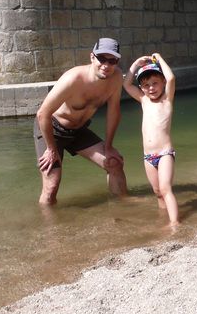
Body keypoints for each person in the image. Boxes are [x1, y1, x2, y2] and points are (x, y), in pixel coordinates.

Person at [34, 37, 128, 204]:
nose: (106, 65)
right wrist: (51, 149)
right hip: (52, 129)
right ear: (92, 57)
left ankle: (123, 209)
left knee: (114, 163)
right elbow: (43, 114)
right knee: (51, 186)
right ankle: (47, 221)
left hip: (78, 130)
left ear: (117, 62)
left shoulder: (116, 78)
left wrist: (109, 146)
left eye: (112, 61)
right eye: (101, 59)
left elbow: (114, 112)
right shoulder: (73, 79)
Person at [123, 52, 179, 225]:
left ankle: (174, 223)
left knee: (165, 188)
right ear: (141, 88)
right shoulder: (144, 100)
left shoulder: (167, 100)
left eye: (155, 83)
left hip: (164, 154)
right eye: (146, 85)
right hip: (148, 157)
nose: (151, 88)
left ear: (162, 83)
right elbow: (126, 84)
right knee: (157, 192)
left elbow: (171, 78)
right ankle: (163, 218)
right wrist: (135, 64)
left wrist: (159, 58)